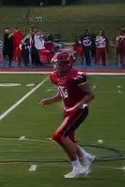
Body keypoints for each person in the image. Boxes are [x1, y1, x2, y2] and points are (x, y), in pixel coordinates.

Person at [40, 49, 96, 179]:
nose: (55, 66)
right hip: (69, 110)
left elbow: (91, 94)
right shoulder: (56, 76)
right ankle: (85, 157)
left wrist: (77, 106)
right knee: (68, 139)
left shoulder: (75, 76)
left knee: (59, 135)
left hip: (78, 110)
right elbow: (62, 94)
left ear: (67, 64)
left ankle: (78, 166)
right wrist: (49, 100)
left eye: (59, 63)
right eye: (55, 63)